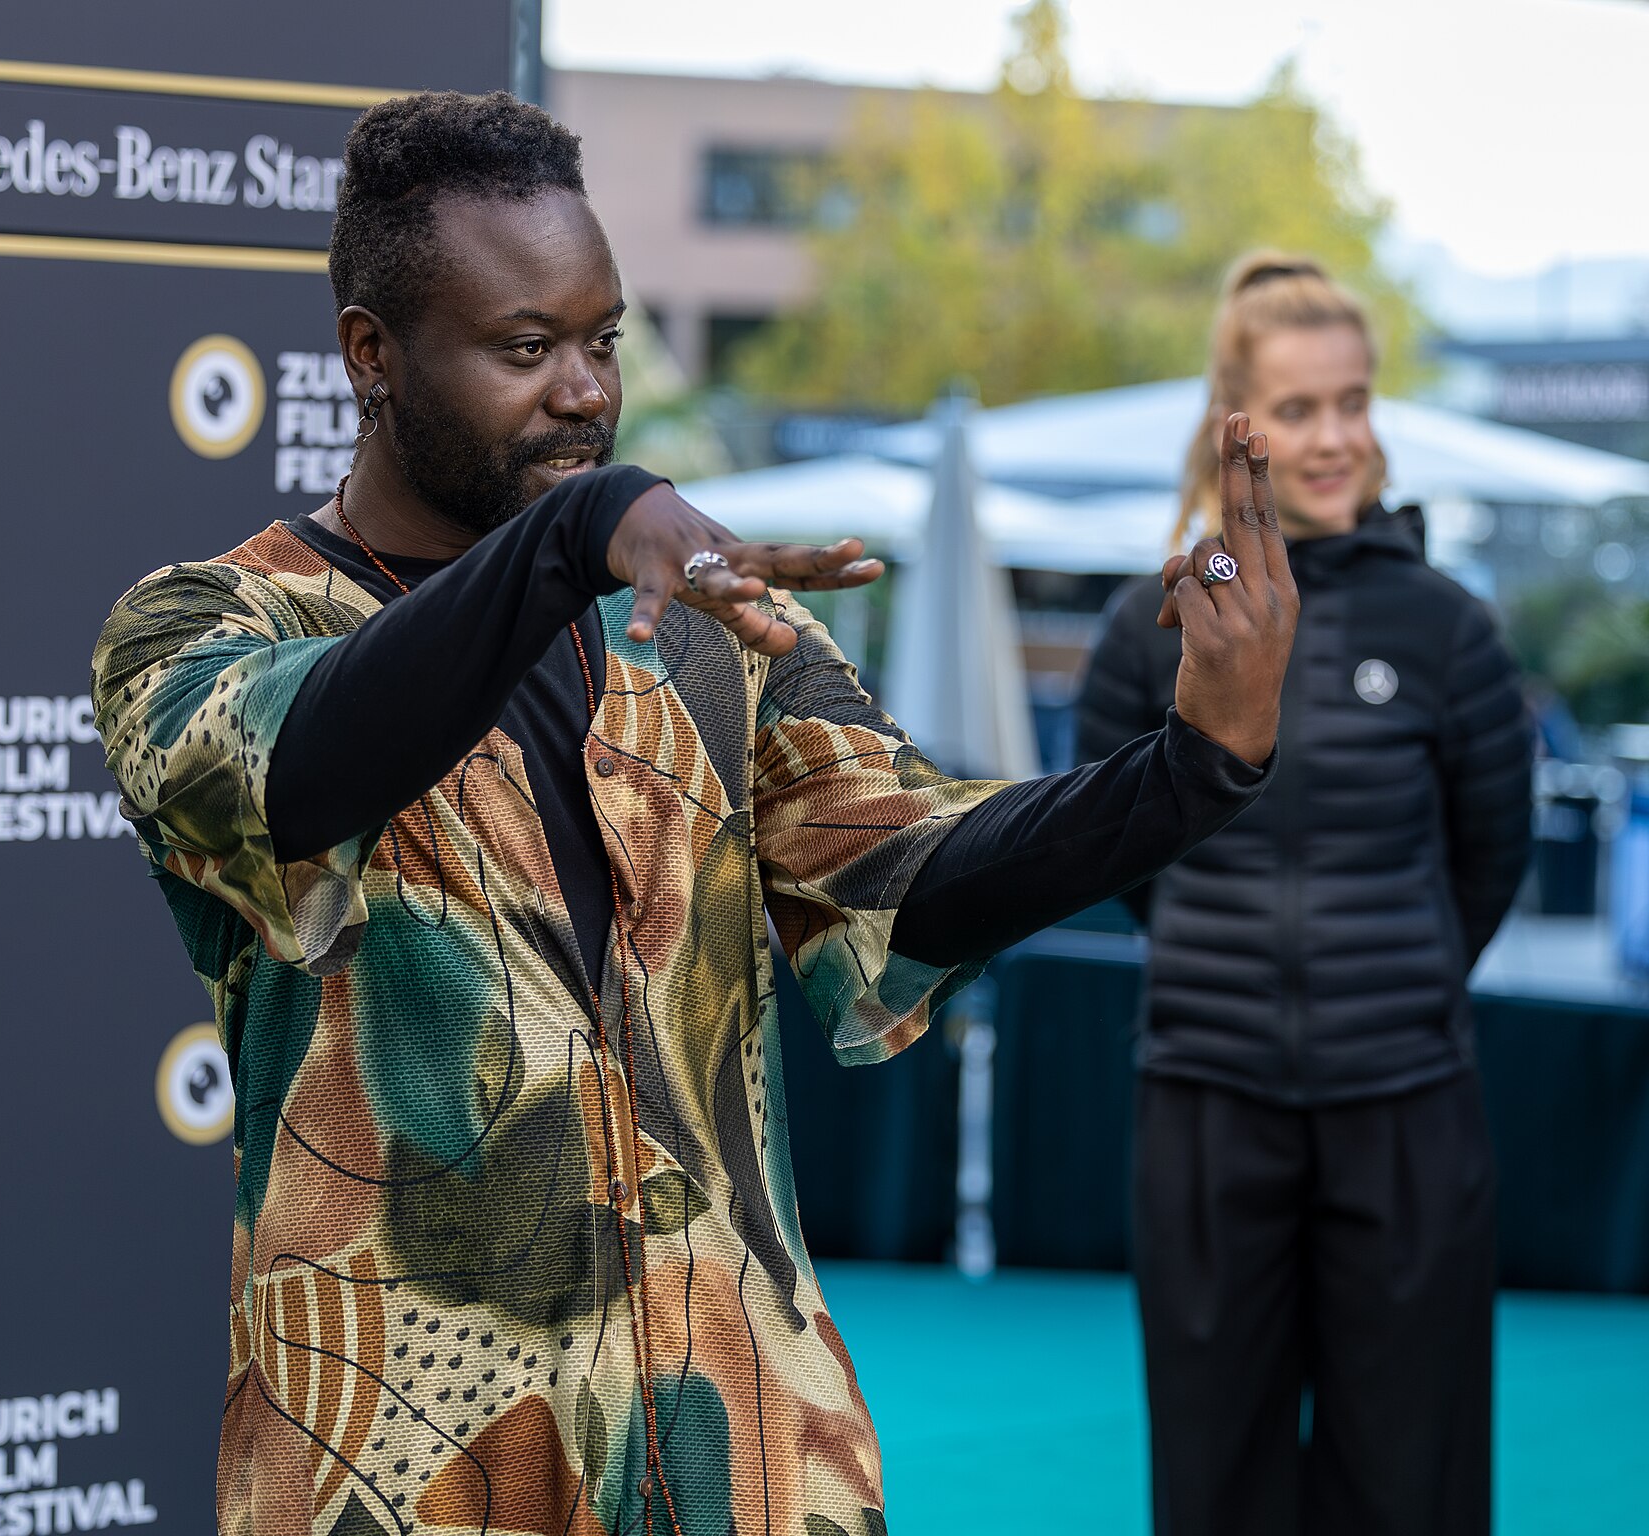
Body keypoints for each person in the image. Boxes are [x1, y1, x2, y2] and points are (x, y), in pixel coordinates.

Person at [92, 93, 1295, 1536]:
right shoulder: (200, 627)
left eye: (601, 341)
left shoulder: (706, 631)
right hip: (406, 1473)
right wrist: (569, 536)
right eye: (525, 348)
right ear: (372, 355)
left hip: (748, 1451)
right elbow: (298, 766)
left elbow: (910, 869)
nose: (585, 392)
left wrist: (1191, 768)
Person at [1077, 253, 1533, 1536]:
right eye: (1301, 407)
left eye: (1355, 402)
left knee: (1411, 1483)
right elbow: (1112, 846)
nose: (1336, 438)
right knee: (1216, 1479)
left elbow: (1490, 859)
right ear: (1238, 422)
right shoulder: (1152, 623)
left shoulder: (1452, 630)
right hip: (1207, 1106)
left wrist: (1392, 983)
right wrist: (1228, 971)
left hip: (1407, 1111)